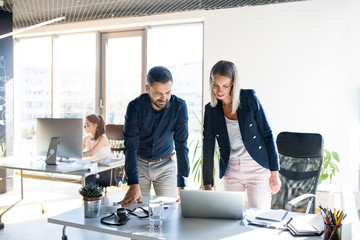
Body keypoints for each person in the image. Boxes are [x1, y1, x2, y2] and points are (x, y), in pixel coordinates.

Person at [202, 60, 281, 208]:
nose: (219, 90)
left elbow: (267, 134)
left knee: (259, 218)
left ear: (233, 83)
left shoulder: (249, 98)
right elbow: (208, 147)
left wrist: (274, 174)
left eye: (225, 85)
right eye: (215, 85)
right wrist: (208, 185)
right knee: (231, 218)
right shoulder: (211, 109)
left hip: (257, 167)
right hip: (231, 169)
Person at [119, 66, 190, 207]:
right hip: (139, 164)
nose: (164, 98)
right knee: (136, 210)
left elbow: (181, 145)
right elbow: (130, 146)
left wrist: (182, 183)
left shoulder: (180, 106)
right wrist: (133, 182)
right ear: (147, 89)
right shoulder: (135, 107)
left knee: (169, 211)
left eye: (168, 92)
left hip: (165, 166)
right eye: (158, 93)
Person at [83, 114, 116, 187]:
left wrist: (76, 154)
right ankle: (90, 196)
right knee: (86, 174)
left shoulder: (102, 138)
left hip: (108, 169)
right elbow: (78, 150)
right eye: (84, 124)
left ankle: (91, 197)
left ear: (95, 125)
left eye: (87, 125)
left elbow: (91, 152)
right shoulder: (86, 138)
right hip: (97, 167)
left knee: (89, 176)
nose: (84, 127)